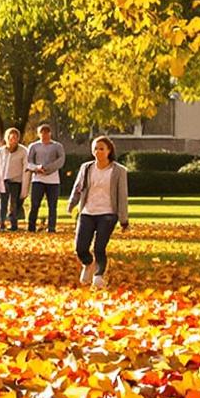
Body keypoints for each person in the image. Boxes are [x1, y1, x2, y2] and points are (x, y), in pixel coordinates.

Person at [67, 136, 129, 287]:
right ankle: (88, 264)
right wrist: (72, 204)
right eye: (95, 148)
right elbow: (78, 187)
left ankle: (99, 275)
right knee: (80, 248)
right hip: (87, 212)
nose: (98, 151)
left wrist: (124, 220)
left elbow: (122, 195)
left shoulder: (118, 171)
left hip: (108, 214)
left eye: (102, 148)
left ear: (109, 151)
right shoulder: (86, 168)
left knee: (99, 247)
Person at [24, 123, 65, 233]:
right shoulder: (34, 147)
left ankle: (51, 227)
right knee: (35, 204)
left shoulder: (57, 146)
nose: (45, 135)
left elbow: (61, 160)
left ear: (50, 133)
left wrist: (48, 168)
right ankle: (31, 227)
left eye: (47, 133)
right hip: (38, 180)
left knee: (52, 206)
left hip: (53, 180)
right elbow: (28, 163)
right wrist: (37, 168)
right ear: (38, 134)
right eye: (42, 133)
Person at [0, 127, 27, 232]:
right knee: (2, 203)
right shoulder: (0, 151)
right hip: (3, 180)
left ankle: (13, 224)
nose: (13, 140)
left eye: (15, 138)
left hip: (16, 181)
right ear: (6, 138)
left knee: (13, 204)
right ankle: (2, 224)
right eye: (10, 138)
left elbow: (26, 166)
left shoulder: (23, 151)